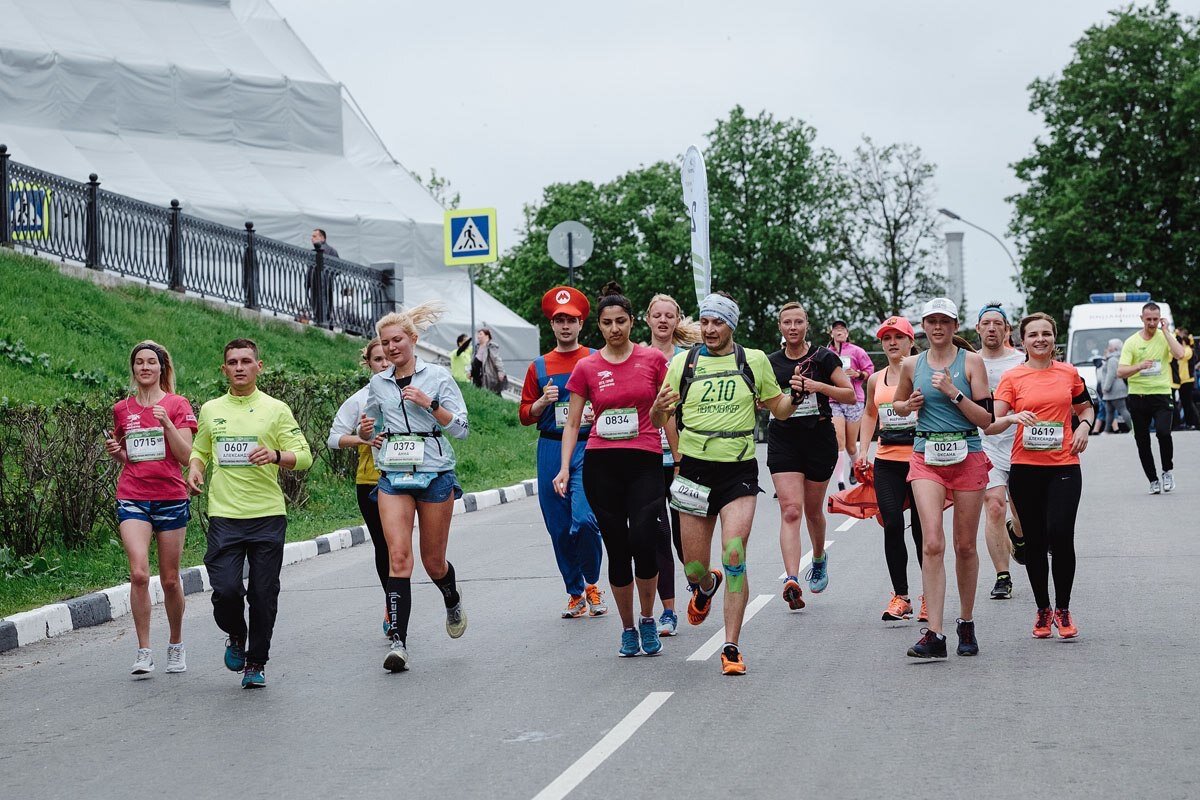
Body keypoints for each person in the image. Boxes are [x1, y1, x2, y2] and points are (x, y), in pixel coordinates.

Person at [651, 292, 796, 675]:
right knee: (693, 567)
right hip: (695, 473)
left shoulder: (754, 361)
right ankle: (704, 585)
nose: (710, 330)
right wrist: (657, 413)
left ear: (732, 324)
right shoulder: (683, 363)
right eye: (705, 322)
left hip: (738, 471)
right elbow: (658, 417)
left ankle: (731, 645)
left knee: (734, 555)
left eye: (718, 322)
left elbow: (777, 408)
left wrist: (793, 397)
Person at [187, 339, 313, 688]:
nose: (239, 367)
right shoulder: (212, 408)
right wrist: (195, 468)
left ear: (259, 366)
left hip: (267, 514)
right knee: (226, 590)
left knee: (262, 592)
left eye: (246, 361)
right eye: (232, 362)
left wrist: (275, 455)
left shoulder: (276, 409)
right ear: (223, 369)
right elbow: (200, 448)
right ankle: (236, 635)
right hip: (224, 515)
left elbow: (303, 456)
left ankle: (256, 662)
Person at [554, 282, 669, 658]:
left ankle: (649, 617)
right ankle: (628, 628)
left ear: (633, 322)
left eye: (621, 321)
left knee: (643, 541)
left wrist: (681, 459)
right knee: (618, 551)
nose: (615, 328)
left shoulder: (652, 360)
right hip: (602, 464)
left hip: (645, 461)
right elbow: (572, 423)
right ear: (599, 327)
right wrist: (564, 470)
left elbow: (667, 412)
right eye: (607, 322)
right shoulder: (587, 366)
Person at [359, 303, 469, 673]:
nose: (391, 348)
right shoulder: (379, 382)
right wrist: (367, 433)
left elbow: (462, 428)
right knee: (399, 558)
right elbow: (371, 422)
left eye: (397, 340)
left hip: (435, 473)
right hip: (394, 474)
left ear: (413, 340)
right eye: (385, 343)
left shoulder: (437, 377)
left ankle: (450, 596)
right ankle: (398, 643)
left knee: (432, 562)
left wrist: (430, 404)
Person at [891, 298, 994, 659]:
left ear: (954, 326)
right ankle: (934, 632)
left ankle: (965, 621)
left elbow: (986, 419)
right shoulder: (910, 364)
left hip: (967, 452)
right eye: (931, 321)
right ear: (923, 326)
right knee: (932, 542)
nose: (937, 327)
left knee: (964, 546)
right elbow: (898, 406)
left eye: (944, 322)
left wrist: (954, 393)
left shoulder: (972, 362)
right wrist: (910, 405)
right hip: (926, 456)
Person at [989, 312, 1094, 639]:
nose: (1040, 339)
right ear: (1023, 340)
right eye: (1033, 334)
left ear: (1054, 339)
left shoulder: (1069, 373)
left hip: (1064, 465)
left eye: (1046, 334)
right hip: (1025, 469)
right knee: (1034, 542)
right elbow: (992, 420)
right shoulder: (1013, 377)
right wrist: (1014, 417)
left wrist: (1085, 428)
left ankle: (1062, 610)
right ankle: (1042, 609)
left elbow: (1086, 407)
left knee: (1061, 535)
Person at [105, 341, 197, 676]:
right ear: (133, 369)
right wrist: (117, 453)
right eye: (139, 363)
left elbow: (187, 457)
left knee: (171, 580)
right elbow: (132, 456)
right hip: (133, 495)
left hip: (171, 497)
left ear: (161, 368)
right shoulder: (122, 409)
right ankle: (144, 651)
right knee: (139, 574)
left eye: (151, 363)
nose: (145, 368)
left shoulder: (176, 404)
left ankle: (175, 645)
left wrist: (167, 424)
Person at [518, 287, 607, 620]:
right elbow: (524, 414)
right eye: (559, 320)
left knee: (584, 520)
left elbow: (612, 398)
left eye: (571, 320)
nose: (565, 326)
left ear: (581, 323)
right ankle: (574, 591)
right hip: (551, 447)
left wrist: (598, 413)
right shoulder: (539, 367)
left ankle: (593, 582)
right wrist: (541, 402)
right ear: (551, 326)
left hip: (589, 446)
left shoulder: (596, 358)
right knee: (558, 526)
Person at [767, 303, 855, 609]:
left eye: (798, 322)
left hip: (818, 437)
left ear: (807, 325)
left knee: (813, 510)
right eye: (787, 322)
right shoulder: (771, 362)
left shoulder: (823, 357)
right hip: (784, 438)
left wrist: (816, 386)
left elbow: (850, 394)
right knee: (791, 509)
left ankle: (818, 558)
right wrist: (785, 398)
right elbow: (760, 402)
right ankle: (792, 578)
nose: (793, 327)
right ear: (779, 327)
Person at [856, 317, 926, 622]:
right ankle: (902, 596)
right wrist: (862, 452)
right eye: (887, 338)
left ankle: (930, 597)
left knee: (925, 532)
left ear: (911, 341)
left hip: (921, 459)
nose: (892, 342)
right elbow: (870, 413)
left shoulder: (923, 374)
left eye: (899, 337)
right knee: (893, 524)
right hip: (887, 461)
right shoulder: (876, 379)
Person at [326, 338, 392, 636]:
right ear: (368, 363)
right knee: (384, 545)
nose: (385, 363)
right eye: (378, 359)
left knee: (400, 546)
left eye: (388, 357)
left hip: (409, 478)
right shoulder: (359, 400)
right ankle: (392, 605)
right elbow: (334, 438)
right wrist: (362, 438)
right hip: (371, 479)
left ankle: (396, 602)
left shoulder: (412, 392)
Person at [643, 293, 700, 636]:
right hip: (648, 457)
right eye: (657, 315)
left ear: (677, 321)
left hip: (686, 458)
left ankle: (698, 583)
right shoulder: (636, 357)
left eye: (669, 316)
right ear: (647, 319)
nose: (663, 321)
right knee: (658, 533)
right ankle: (668, 611)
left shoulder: (689, 360)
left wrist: (683, 456)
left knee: (684, 537)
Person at [975, 303, 1026, 600]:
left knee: (1023, 514)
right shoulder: (969, 361)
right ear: (978, 328)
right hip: (985, 443)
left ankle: (1018, 536)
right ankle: (1002, 576)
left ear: (1007, 329)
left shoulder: (1021, 361)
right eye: (986, 323)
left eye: (998, 323)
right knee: (994, 504)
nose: (992, 328)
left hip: (1020, 443)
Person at [1117, 302, 1187, 493]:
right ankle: (1153, 479)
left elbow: (1180, 354)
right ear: (1142, 318)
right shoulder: (1132, 342)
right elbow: (1120, 372)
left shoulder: (1165, 336)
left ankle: (1167, 471)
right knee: (1142, 440)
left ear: (1160, 318)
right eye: (1148, 319)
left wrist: (1166, 331)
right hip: (1138, 396)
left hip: (1161, 394)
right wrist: (1139, 366)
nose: (1152, 323)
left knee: (1164, 433)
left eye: (1156, 319)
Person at [828, 319, 875, 490]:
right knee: (839, 441)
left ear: (847, 333)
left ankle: (856, 470)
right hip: (834, 401)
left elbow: (870, 369)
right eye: (836, 329)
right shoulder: (827, 353)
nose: (839, 332)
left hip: (855, 400)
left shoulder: (857, 351)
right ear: (831, 333)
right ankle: (840, 483)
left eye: (842, 329)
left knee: (850, 444)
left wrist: (858, 374)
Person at [1100, 338, 1132, 434]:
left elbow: (1111, 375)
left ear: (1114, 348)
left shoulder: (1112, 360)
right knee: (1109, 411)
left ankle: (1133, 428)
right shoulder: (1113, 358)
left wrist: (1105, 388)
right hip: (1113, 390)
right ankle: (1106, 430)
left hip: (1115, 389)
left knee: (1122, 409)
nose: (1108, 347)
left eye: (1110, 345)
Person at [1171, 327, 1196, 430]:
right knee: (1183, 403)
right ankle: (1186, 422)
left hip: (1187, 381)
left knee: (1187, 403)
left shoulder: (1188, 350)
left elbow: (1181, 356)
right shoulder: (1184, 349)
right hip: (1181, 380)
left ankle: (1192, 423)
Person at [473, 327, 507, 394]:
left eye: (480, 334)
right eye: (478, 334)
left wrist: (500, 371)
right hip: (476, 375)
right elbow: (473, 359)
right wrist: (470, 371)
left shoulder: (491, 346)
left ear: (486, 336)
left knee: (493, 393)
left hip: (488, 376)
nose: (478, 336)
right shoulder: (477, 346)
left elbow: (497, 359)